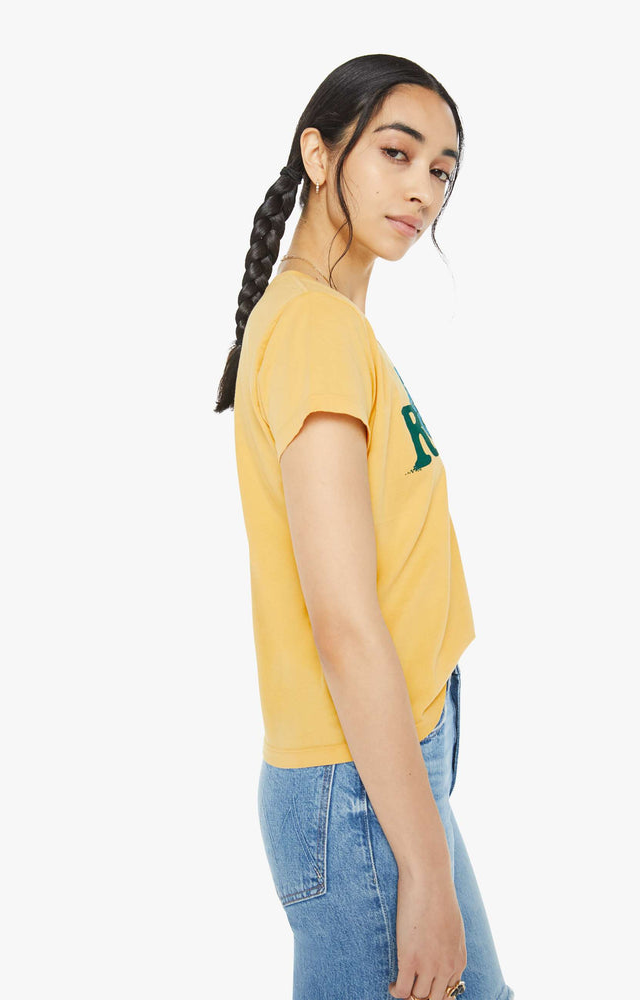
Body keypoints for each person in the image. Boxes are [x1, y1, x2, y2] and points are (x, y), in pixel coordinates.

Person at [215, 53, 514, 1000]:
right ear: (319, 153)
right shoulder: (314, 330)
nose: (423, 188)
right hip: (358, 788)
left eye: (442, 170)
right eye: (397, 151)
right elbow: (342, 622)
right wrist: (422, 869)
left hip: (380, 772)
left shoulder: (329, 326)